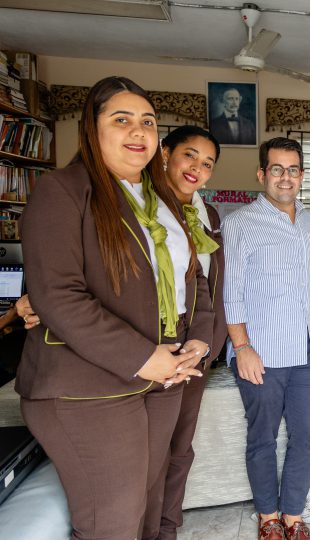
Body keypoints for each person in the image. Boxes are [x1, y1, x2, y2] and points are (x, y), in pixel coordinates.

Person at [17, 76, 214, 539]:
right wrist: (145, 358)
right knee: (115, 519)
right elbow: (57, 295)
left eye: (148, 122)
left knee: (148, 502)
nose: (138, 131)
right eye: (121, 119)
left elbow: (195, 279)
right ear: (92, 128)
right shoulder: (64, 191)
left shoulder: (161, 199)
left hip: (164, 376)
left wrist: (199, 338)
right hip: (89, 387)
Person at [223, 137, 310, 540]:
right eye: (277, 169)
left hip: (309, 351)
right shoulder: (239, 223)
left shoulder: (309, 220)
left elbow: (309, 279)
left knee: (305, 437)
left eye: (293, 169)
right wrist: (243, 348)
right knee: (262, 438)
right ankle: (268, 519)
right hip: (261, 352)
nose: (286, 177)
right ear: (262, 174)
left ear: (302, 175)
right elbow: (231, 292)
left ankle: (292, 517)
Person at [142, 125, 227, 540]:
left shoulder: (207, 216)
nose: (197, 168)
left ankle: (167, 528)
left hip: (194, 343)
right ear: (164, 153)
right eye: (189, 155)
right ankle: (140, 526)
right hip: (147, 343)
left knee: (180, 445)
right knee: (147, 449)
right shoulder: (138, 205)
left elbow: (208, 284)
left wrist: (207, 342)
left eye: (207, 163)